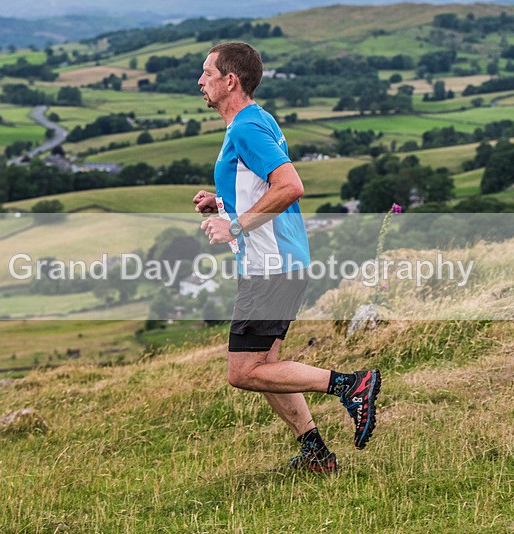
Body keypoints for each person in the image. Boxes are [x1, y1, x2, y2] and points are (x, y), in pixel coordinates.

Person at [192, 42, 381, 473]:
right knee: (265, 366)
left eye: (206, 73)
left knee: (243, 372)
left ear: (230, 80)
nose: (200, 81)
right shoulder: (253, 120)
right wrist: (220, 203)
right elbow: (257, 188)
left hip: (271, 267)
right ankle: (315, 452)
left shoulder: (245, 128)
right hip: (278, 263)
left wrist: (235, 226)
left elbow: (289, 186)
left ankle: (351, 385)